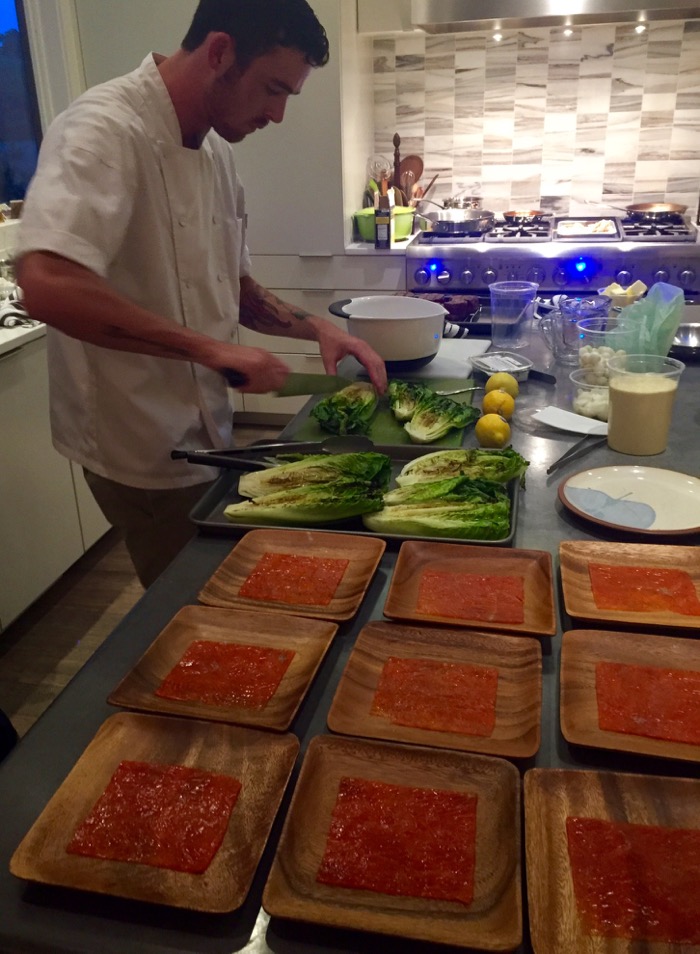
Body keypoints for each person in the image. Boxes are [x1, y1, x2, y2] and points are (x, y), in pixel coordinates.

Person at [15, 0, 387, 588]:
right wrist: (212, 351)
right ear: (219, 52)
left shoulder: (216, 153)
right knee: (193, 603)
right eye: (272, 88)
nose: (279, 114)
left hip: (208, 431)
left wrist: (318, 328)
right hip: (138, 439)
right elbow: (47, 285)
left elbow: (232, 289)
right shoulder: (101, 129)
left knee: (220, 585)